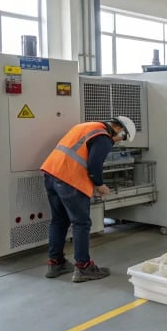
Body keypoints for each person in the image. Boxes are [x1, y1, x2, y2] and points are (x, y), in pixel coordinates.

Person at [40, 116, 136, 282]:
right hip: (70, 181)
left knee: (59, 221)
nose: (120, 141)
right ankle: (83, 268)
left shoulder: (86, 127)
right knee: (81, 223)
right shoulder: (104, 137)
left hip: (51, 175)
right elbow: (94, 164)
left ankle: (56, 263)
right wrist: (99, 185)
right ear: (120, 129)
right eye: (123, 137)